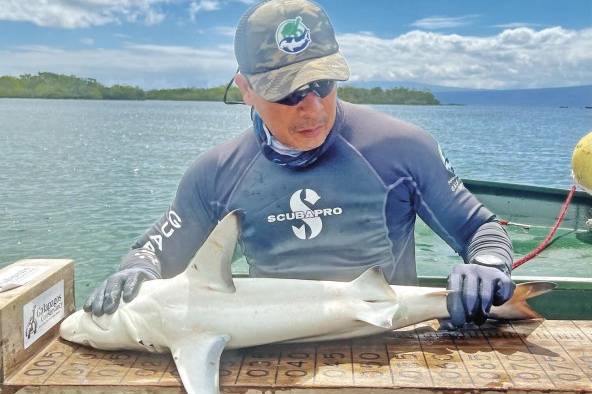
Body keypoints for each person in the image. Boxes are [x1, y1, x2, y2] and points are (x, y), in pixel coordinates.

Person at [84, 0, 514, 328]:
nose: (311, 108)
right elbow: (154, 253)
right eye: (287, 92)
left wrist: (489, 264)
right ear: (246, 88)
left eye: (322, 85)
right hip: (268, 347)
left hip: (389, 344)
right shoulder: (214, 174)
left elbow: (480, 229)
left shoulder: (403, 147)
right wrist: (136, 269)